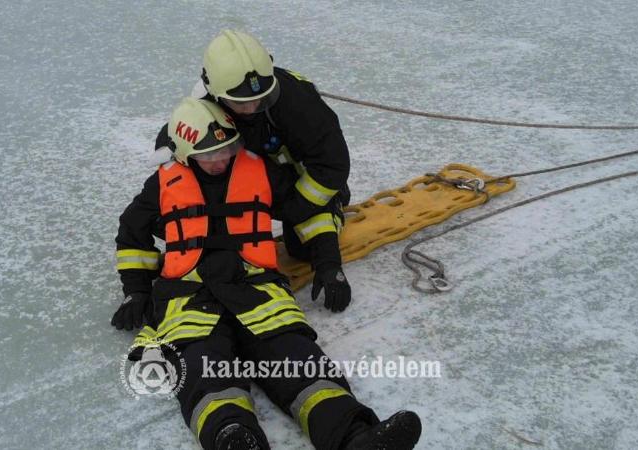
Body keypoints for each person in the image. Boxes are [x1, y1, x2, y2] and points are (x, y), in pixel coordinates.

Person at [114, 97, 421, 450]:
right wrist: (136, 291)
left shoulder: (259, 172)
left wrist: (328, 265)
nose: (219, 160)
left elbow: (308, 211)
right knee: (205, 368)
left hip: (256, 291)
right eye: (207, 154)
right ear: (183, 153)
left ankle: (355, 437)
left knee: (298, 360)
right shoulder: (163, 185)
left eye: (226, 149)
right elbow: (131, 233)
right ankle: (231, 438)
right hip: (190, 297)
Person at [156, 29, 352, 313]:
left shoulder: (298, 102)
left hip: (297, 176)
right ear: (216, 92)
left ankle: (331, 203)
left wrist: (327, 260)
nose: (251, 106)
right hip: (255, 172)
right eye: (240, 102)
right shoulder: (206, 104)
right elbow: (175, 141)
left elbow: (332, 162)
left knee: (301, 248)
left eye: (259, 98)